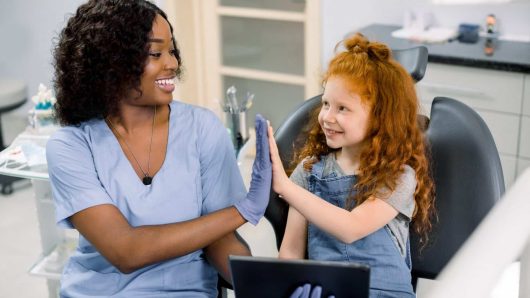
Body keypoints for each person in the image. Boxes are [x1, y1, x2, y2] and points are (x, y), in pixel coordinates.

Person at [47, 0, 271, 296]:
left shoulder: (202, 129)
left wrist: (272, 287)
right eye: (156, 53)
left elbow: (219, 241)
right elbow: (125, 251)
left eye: (172, 50)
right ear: (111, 62)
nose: (173, 63)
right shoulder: (71, 146)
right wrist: (243, 210)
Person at [267, 33, 435, 298]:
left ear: (381, 118)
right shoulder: (308, 173)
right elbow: (290, 253)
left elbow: (351, 228)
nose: (327, 117)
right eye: (325, 103)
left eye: (342, 108)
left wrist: (286, 189)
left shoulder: (398, 176)